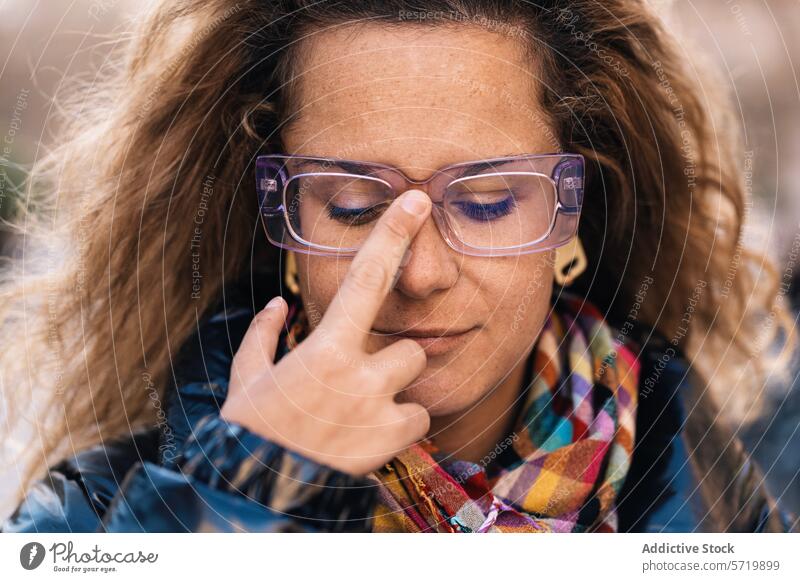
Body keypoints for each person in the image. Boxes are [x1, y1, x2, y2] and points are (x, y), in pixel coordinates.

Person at [1, 0, 795, 533]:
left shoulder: (712, 483)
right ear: (279, 215)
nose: (417, 274)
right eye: (351, 205)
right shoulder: (104, 512)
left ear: (571, 214)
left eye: (486, 202)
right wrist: (242, 491)